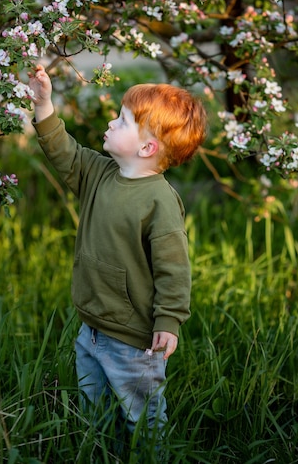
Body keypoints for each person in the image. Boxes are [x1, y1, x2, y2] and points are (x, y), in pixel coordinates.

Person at [29, 64, 207, 458]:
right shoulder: (101, 173)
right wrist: (44, 104)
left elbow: (173, 268)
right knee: (96, 415)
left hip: (133, 342)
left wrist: (169, 320)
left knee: (142, 419)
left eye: (123, 120)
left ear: (147, 148)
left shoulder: (159, 202)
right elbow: (65, 154)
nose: (111, 121)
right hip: (91, 326)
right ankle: (103, 455)